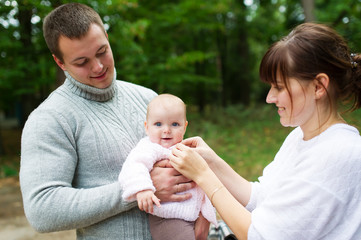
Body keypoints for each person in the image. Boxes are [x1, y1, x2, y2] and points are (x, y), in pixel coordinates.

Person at [19, 3, 204, 239]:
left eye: (101, 51)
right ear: (60, 62)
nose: (98, 66)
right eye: (81, 62)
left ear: (107, 37)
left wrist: (202, 215)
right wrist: (137, 189)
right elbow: (43, 210)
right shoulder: (50, 119)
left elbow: (183, 166)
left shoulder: (147, 98)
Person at [169, 22, 361, 239]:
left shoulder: (338, 153)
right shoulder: (300, 137)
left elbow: (260, 235)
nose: (270, 97)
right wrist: (211, 163)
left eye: (279, 87)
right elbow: (263, 198)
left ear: (318, 87)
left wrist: (203, 176)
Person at [119, 94, 216, 240]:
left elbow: (205, 176)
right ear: (147, 127)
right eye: (158, 124)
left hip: (193, 214)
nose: (166, 130)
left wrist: (206, 212)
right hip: (167, 217)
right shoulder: (149, 148)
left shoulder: (187, 148)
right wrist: (143, 189)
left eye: (175, 124)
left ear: (185, 127)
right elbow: (134, 166)